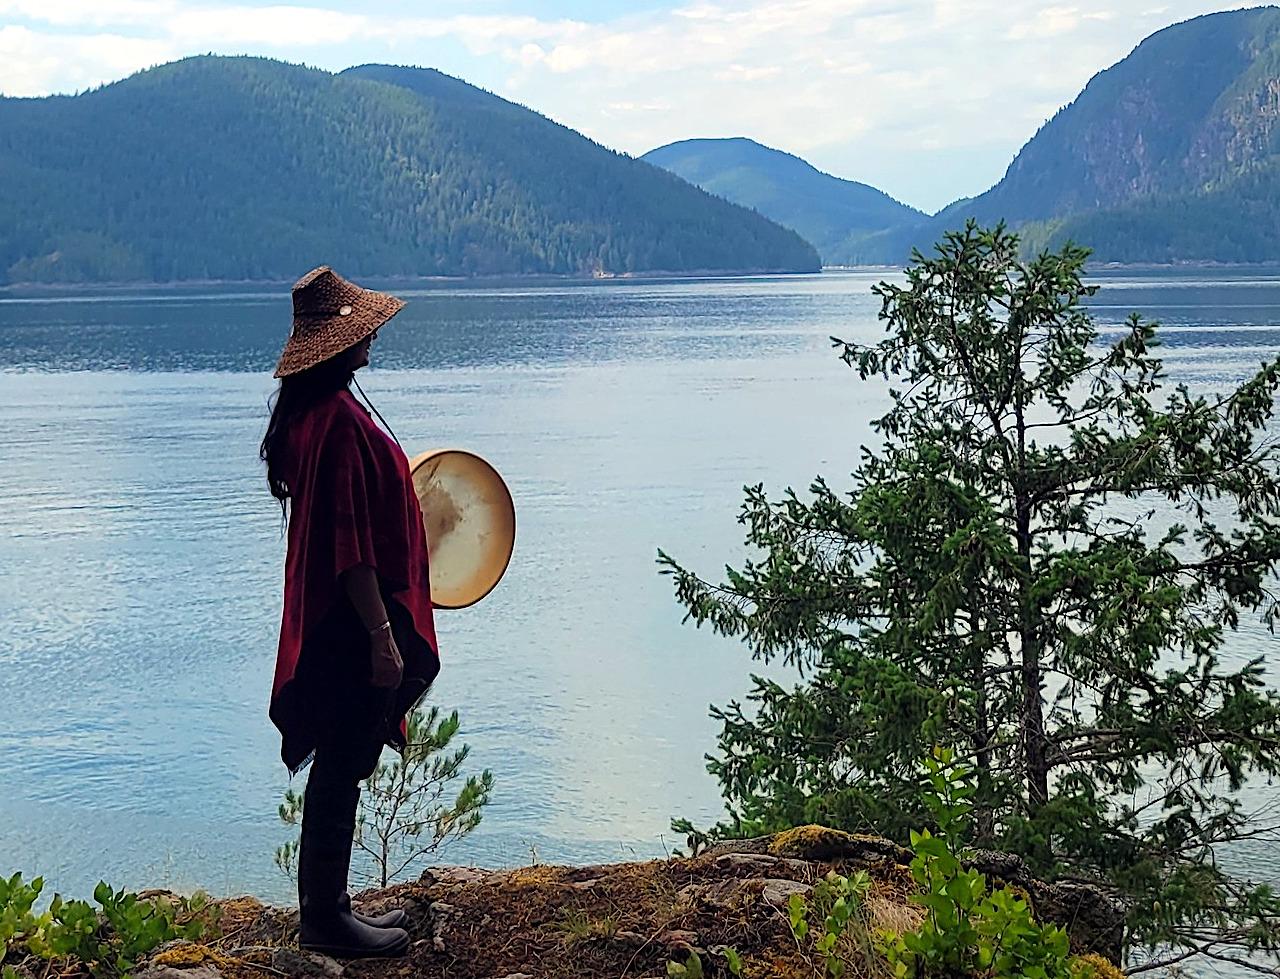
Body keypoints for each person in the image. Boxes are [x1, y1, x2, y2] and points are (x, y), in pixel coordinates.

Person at [260, 266, 441, 959]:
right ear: (335, 342)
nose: (370, 335)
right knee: (341, 759)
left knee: (345, 758)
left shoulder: (322, 409)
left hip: (339, 618)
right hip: (350, 622)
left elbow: (360, 515)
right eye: (357, 327)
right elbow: (350, 547)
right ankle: (325, 919)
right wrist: (380, 637)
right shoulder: (334, 420)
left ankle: (331, 904)